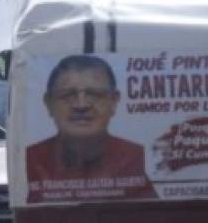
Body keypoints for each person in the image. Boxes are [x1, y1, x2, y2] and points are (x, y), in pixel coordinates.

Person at [25, 54, 156, 203]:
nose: (81, 105)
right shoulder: (32, 158)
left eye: (94, 94)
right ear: (48, 103)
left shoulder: (133, 157)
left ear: (114, 101)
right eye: (68, 95)